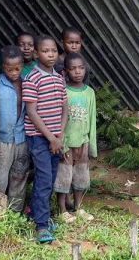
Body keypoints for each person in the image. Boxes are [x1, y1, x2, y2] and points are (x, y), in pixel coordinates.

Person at [22, 34, 68, 244]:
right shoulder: (32, 78)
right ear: (36, 53)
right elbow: (31, 112)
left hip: (55, 139)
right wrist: (50, 138)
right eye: (45, 51)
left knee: (49, 178)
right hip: (39, 139)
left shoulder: (59, 78)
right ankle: (41, 226)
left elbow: (64, 109)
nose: (50, 55)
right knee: (43, 179)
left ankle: (39, 214)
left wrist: (59, 136)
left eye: (53, 51)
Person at [53, 52, 96, 223]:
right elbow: (57, 119)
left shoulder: (89, 93)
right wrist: (61, 144)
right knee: (64, 176)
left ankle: (78, 207)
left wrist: (91, 145)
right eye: (72, 68)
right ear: (65, 71)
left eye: (81, 68)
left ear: (85, 70)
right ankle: (62, 210)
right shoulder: (63, 90)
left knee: (81, 176)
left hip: (83, 142)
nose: (77, 72)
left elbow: (92, 119)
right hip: (67, 143)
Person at [0, 45, 30, 213]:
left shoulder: (27, 83)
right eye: (9, 69)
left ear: (22, 64)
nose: (14, 73)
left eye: (17, 68)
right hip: (3, 140)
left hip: (21, 138)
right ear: (3, 66)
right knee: (1, 179)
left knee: (19, 176)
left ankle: (15, 213)